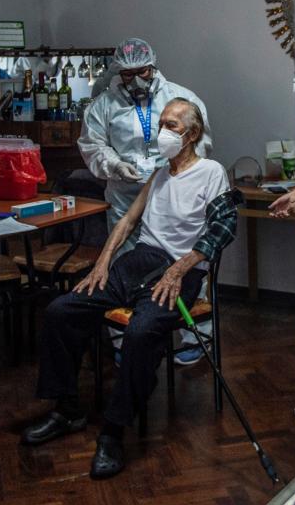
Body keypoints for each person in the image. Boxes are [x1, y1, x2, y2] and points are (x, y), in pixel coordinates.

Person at [23, 98, 239, 479]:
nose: (163, 133)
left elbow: (223, 228)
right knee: (61, 311)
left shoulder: (211, 172)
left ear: (191, 135)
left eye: (172, 126)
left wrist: (180, 269)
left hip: (180, 272)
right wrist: (103, 262)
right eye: (162, 124)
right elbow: (125, 223)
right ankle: (67, 409)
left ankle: (113, 431)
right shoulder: (159, 174)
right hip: (137, 262)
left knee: (141, 332)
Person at [78, 37, 214, 365]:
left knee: (186, 263)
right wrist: (114, 166)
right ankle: (127, 341)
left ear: (153, 66)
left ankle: (198, 335)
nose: (137, 80)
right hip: (126, 197)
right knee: (122, 265)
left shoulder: (181, 98)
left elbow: (202, 140)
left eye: (143, 71)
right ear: (117, 72)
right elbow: (92, 145)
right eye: (128, 74)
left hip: (174, 196)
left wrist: (173, 168)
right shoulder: (103, 106)